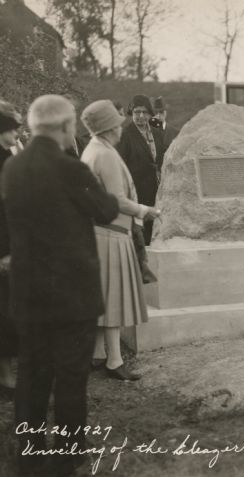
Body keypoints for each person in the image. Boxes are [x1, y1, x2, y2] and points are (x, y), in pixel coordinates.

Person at [3, 95, 119, 476]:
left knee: (32, 374)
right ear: (67, 127)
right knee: (70, 376)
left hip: (28, 291)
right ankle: (68, 454)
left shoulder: (13, 168)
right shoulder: (70, 168)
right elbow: (104, 210)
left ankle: (30, 454)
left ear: (32, 127)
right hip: (71, 294)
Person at [81, 100, 160, 381]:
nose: (120, 126)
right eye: (116, 122)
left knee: (103, 298)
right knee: (112, 299)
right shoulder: (105, 154)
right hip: (111, 233)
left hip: (100, 231)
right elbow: (116, 198)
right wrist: (145, 211)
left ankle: (98, 355)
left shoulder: (94, 150)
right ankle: (114, 360)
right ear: (108, 127)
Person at [117, 94, 165, 245]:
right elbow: (121, 165)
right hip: (137, 192)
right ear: (131, 113)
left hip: (156, 191)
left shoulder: (157, 133)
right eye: (137, 112)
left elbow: (160, 159)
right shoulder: (125, 135)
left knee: (155, 233)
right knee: (141, 237)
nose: (141, 116)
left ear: (150, 113)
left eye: (144, 112)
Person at [0, 101, 21, 392]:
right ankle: (4, 376)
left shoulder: (7, 156)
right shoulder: (3, 160)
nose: (18, 132)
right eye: (13, 128)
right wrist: (5, 251)